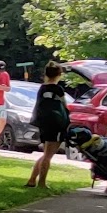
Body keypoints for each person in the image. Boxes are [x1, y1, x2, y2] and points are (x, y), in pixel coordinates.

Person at [26, 61, 74, 189]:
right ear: (59, 75)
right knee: (48, 155)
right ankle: (42, 183)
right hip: (56, 125)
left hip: (44, 124)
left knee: (45, 154)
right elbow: (64, 106)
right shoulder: (58, 89)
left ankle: (32, 180)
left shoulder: (42, 88)